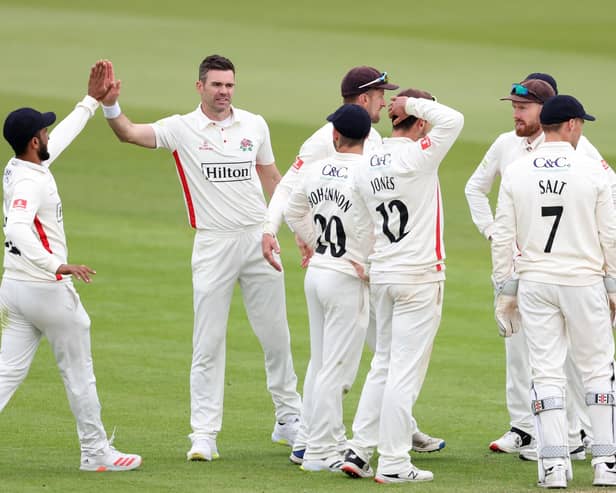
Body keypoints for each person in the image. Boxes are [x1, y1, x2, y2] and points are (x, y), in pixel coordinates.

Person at [99, 55, 302, 460]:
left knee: (276, 337)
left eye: (229, 85)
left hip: (258, 240)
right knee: (207, 343)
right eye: (216, 85)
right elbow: (129, 134)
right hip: (213, 245)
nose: (224, 92)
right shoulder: (181, 128)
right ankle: (204, 434)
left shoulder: (254, 125)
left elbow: (273, 180)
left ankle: (289, 421)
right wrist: (110, 106)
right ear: (200, 87)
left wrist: (299, 230)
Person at [262, 65, 445, 464]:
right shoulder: (321, 144)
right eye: (381, 94)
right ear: (364, 98)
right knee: (346, 364)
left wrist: (318, 241)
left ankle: (394, 427)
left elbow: (307, 203)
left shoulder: (370, 138)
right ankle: (317, 443)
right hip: (358, 270)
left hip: (346, 267)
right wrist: (276, 230)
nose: (386, 100)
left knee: (370, 356)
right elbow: (291, 190)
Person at [0, 61, 141, 472]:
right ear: (32, 141)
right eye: (43, 131)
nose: (48, 134)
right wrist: (58, 265)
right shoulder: (30, 181)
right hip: (46, 290)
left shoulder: (22, 165)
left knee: (5, 374)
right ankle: (96, 452)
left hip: (15, 289)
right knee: (79, 374)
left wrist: (91, 102)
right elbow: (18, 227)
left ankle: (96, 450)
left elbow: (57, 142)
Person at [464, 75, 610, 459]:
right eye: (513, 106)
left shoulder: (582, 149)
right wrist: (493, 233)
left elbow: (607, 199)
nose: (516, 113)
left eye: (523, 107)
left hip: (566, 270)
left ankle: (578, 434)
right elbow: (474, 189)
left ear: (548, 113)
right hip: (524, 270)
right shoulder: (505, 146)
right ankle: (525, 428)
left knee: (575, 361)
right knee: (521, 352)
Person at [341, 89, 464, 483]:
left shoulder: (365, 163)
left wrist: (370, 262)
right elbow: (455, 119)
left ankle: (359, 452)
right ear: (421, 122)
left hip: (384, 273)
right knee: (403, 373)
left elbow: (361, 223)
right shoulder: (419, 155)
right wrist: (409, 102)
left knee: (383, 364)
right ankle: (393, 462)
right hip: (418, 276)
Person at [284, 104, 374, 472]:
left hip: (318, 271)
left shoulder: (317, 168)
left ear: (335, 136)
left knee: (322, 364)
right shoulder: (370, 172)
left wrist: (316, 240)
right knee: (337, 370)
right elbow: (379, 224)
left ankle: (319, 444)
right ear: (367, 138)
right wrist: (369, 265)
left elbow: (292, 212)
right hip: (346, 277)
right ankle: (324, 451)